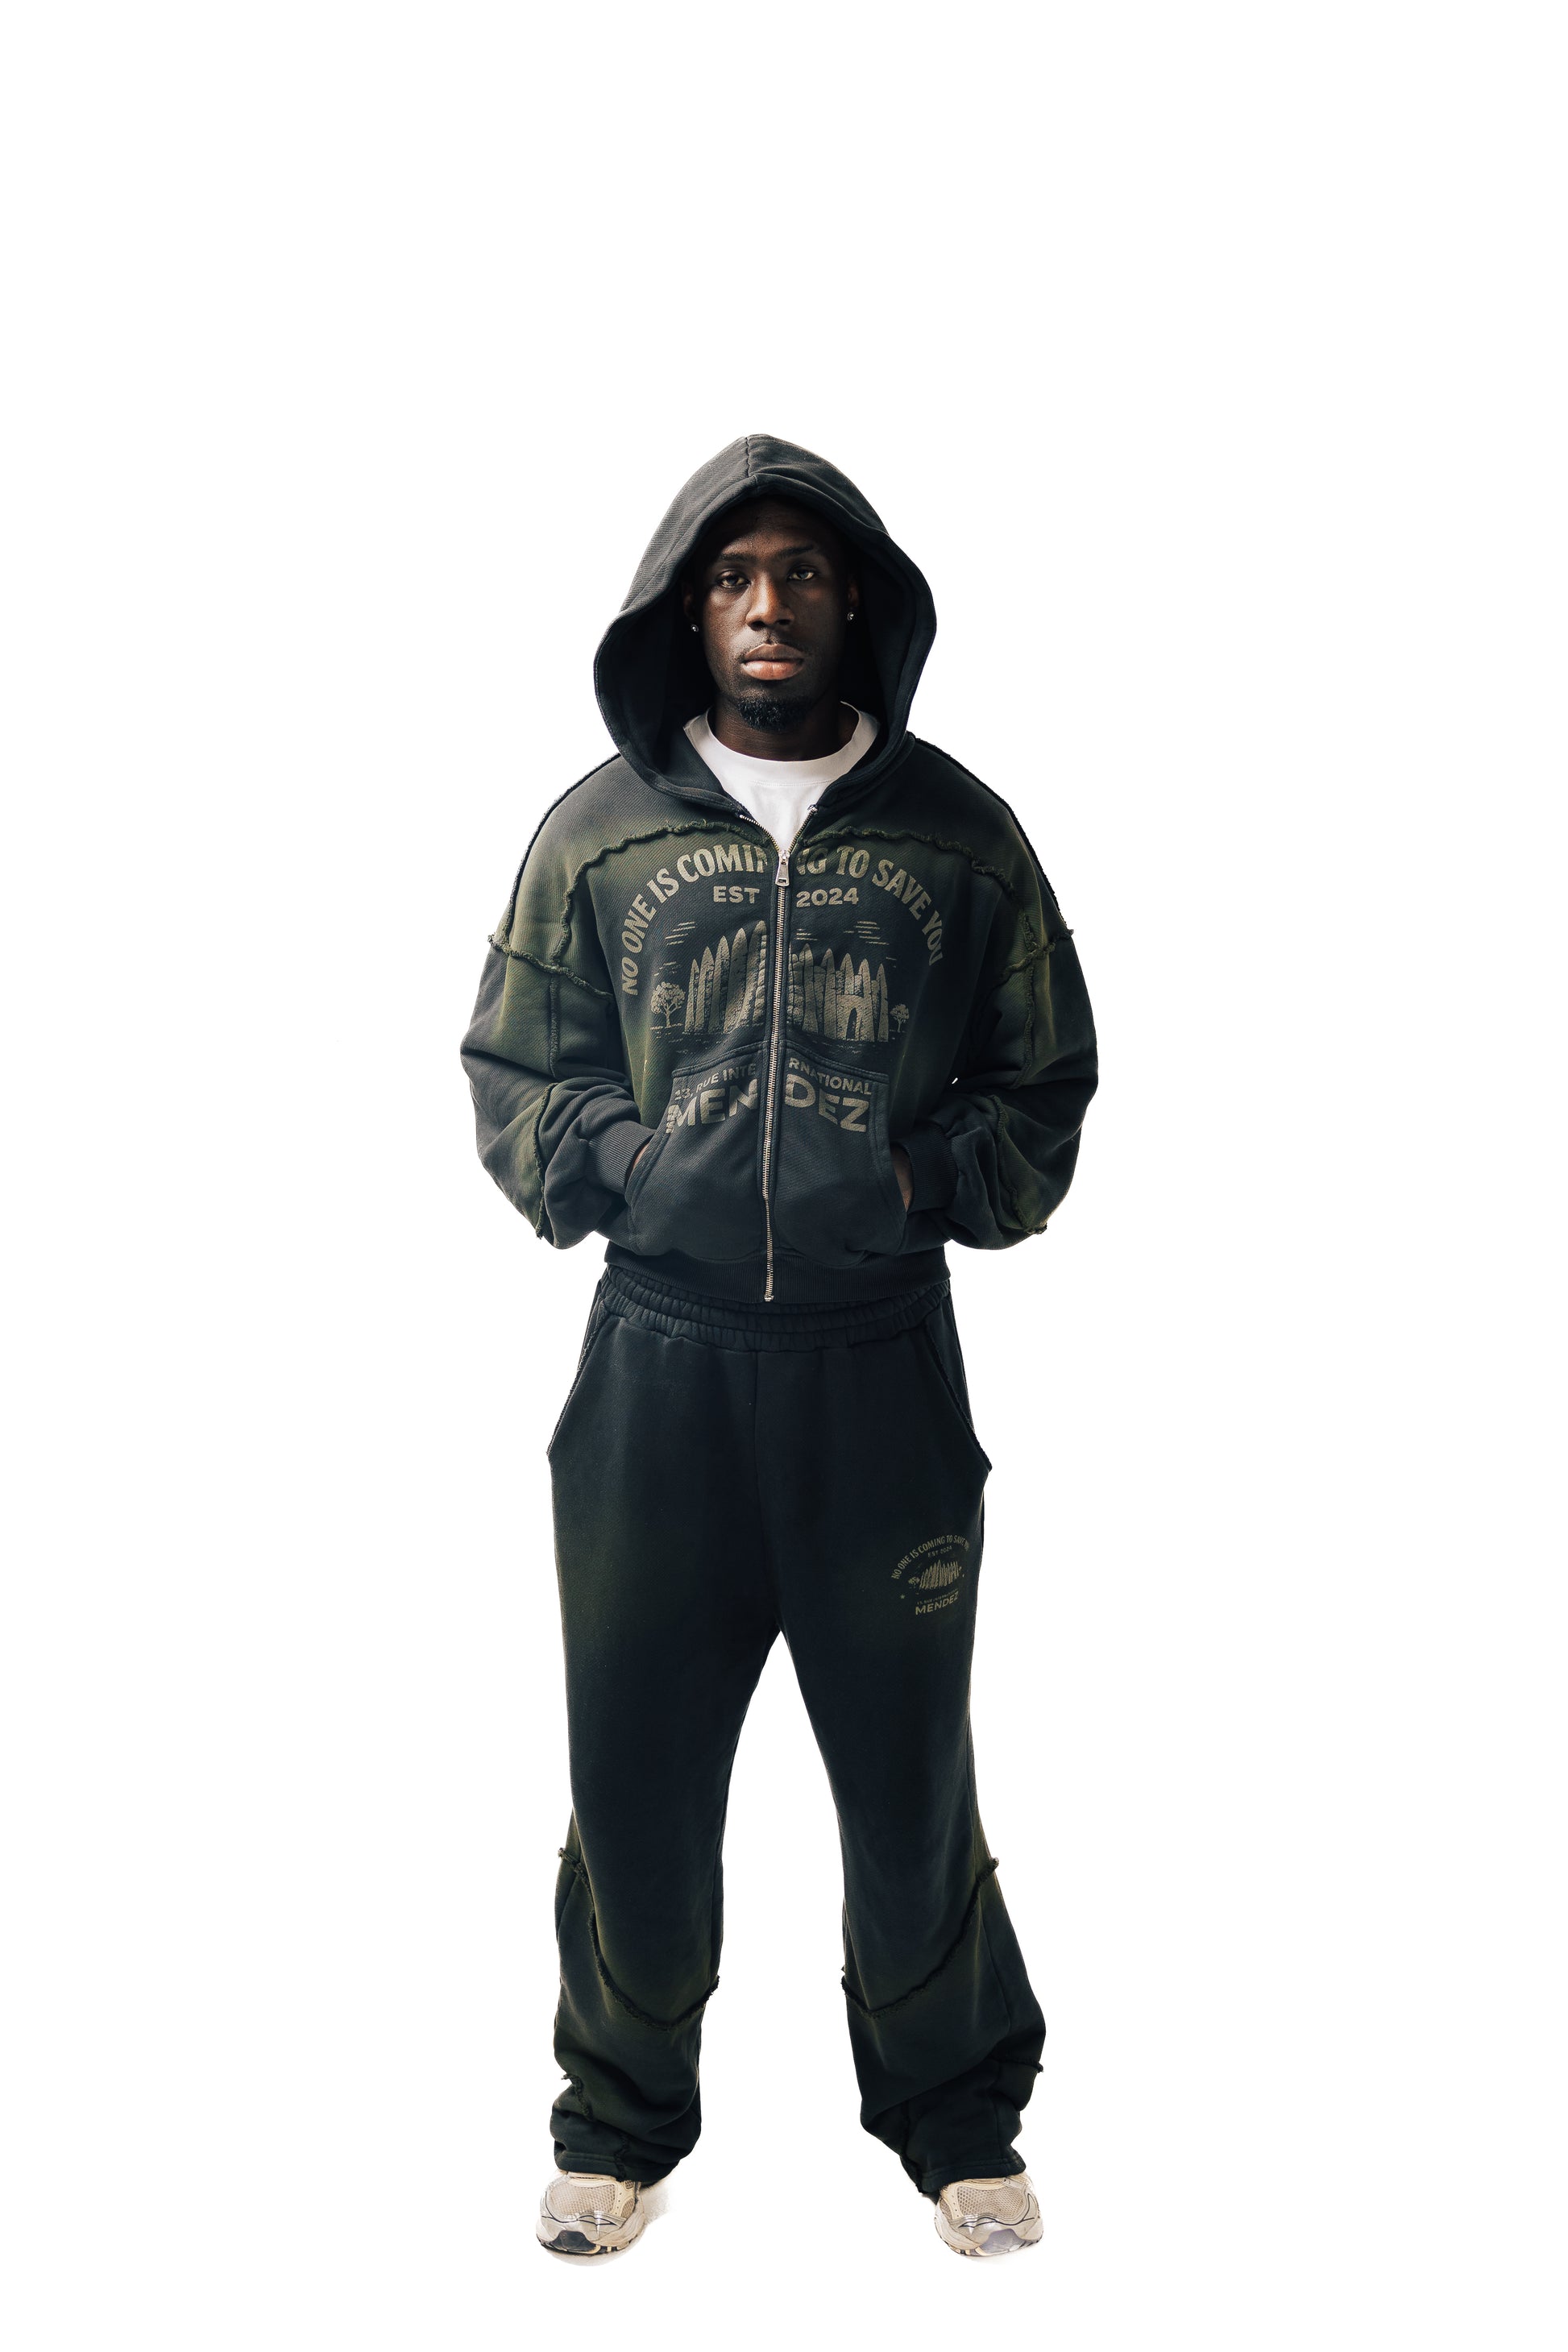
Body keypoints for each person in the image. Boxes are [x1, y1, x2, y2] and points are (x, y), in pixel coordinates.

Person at [461, 434, 1097, 2259]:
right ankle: (618, 2121)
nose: (765, 605)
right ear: (687, 609)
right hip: (656, 1377)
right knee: (634, 1773)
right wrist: (633, 1167)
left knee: (908, 1775)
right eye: (732, 574)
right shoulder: (599, 830)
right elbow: (515, 1071)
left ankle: (956, 2120)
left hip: (878, 1369)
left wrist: (908, 1176)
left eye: (800, 573)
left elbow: (1042, 1086)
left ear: (853, 604)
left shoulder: (959, 834)